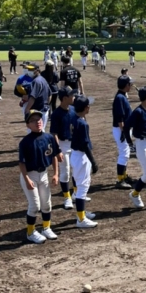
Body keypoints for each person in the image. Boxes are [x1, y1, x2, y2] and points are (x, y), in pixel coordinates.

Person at [18, 109, 60, 243]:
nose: (38, 122)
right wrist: (27, 179)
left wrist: (56, 174)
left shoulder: (48, 137)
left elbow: (54, 156)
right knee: (35, 205)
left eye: (39, 119)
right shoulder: (25, 142)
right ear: (28, 125)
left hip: (44, 174)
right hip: (30, 175)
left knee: (46, 203)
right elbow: (22, 163)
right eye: (33, 120)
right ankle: (30, 233)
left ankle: (46, 228)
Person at [70, 95, 98, 228]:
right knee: (83, 187)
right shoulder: (83, 123)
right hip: (81, 157)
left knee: (81, 185)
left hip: (75, 155)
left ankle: (81, 213)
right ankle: (81, 219)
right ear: (86, 108)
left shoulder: (73, 118)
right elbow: (85, 145)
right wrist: (93, 162)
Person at [50, 86, 78, 208]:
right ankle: (67, 198)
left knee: (76, 170)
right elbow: (54, 134)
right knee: (65, 172)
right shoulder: (56, 114)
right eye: (72, 95)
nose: (74, 97)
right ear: (65, 98)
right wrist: (58, 150)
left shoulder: (73, 110)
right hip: (63, 144)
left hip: (74, 144)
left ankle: (76, 194)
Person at [112, 76, 134, 188]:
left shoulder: (122, 95)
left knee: (126, 153)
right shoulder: (120, 98)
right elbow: (120, 117)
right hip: (121, 129)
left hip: (123, 129)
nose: (131, 86)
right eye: (130, 84)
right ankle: (120, 180)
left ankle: (124, 176)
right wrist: (123, 131)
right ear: (126, 85)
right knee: (124, 154)